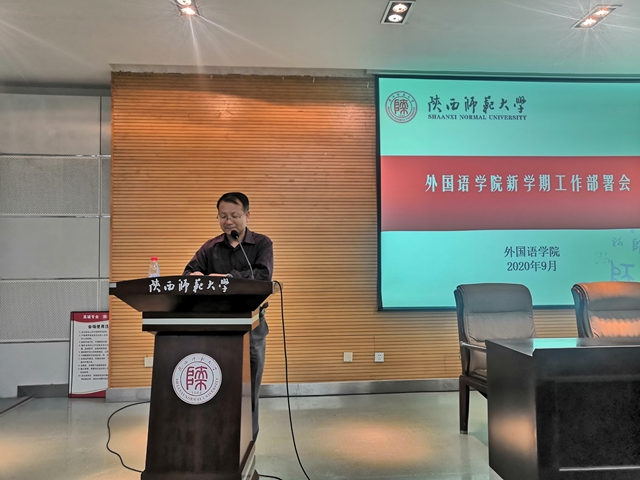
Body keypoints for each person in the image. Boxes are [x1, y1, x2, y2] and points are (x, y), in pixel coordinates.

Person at [183, 192, 273, 442]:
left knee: (249, 389)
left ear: (247, 215)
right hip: (217, 328)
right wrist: (194, 277)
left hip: (252, 327)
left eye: (234, 215)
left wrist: (228, 278)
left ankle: (249, 442)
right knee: (219, 385)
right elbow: (189, 272)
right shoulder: (210, 247)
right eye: (223, 216)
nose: (228, 221)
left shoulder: (262, 244)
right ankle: (219, 439)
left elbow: (263, 277)